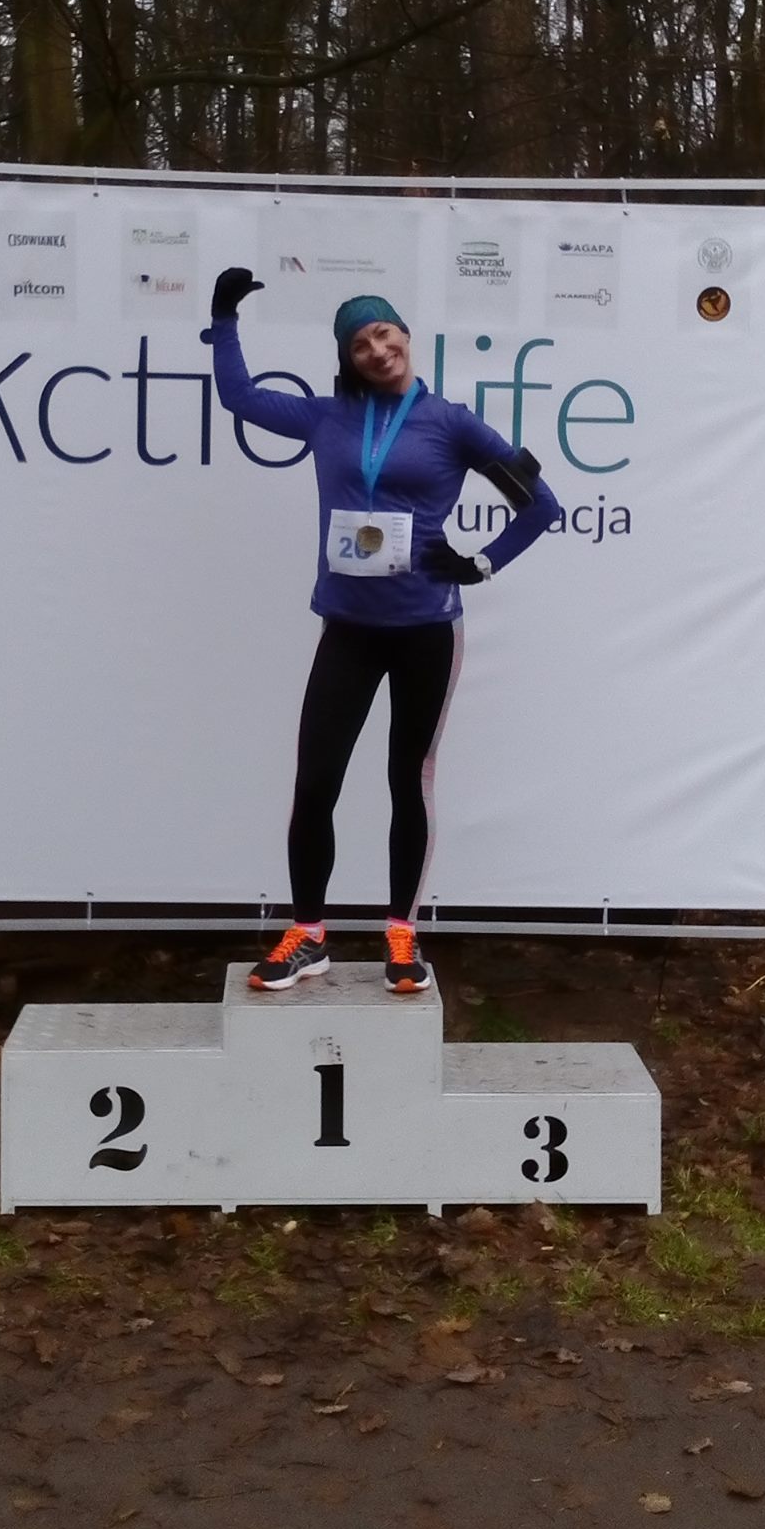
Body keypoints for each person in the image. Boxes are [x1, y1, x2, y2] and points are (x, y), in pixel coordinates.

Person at [205, 267, 560, 994]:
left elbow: (541, 505)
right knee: (316, 781)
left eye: (384, 332)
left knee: (408, 781)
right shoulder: (326, 418)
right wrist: (225, 320)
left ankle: (402, 933)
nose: (376, 349)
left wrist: (481, 563)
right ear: (347, 358)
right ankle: (308, 935)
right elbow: (238, 398)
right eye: (360, 343)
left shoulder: (451, 423)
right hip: (349, 629)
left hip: (426, 629)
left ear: (405, 336)